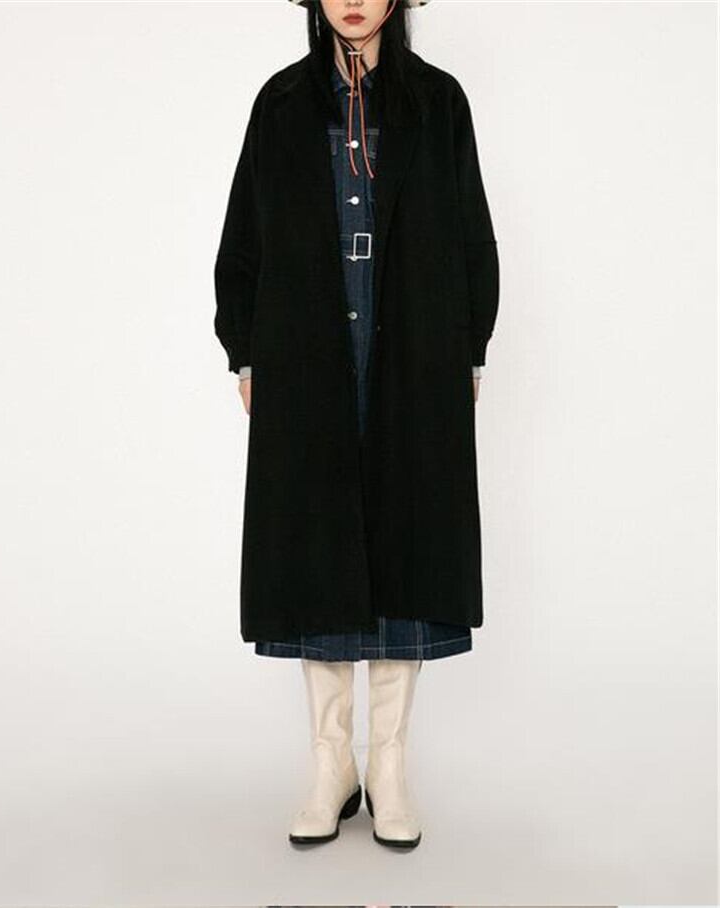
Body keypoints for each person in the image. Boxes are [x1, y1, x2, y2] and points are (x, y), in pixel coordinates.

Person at [213, 0, 499, 850]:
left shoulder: (438, 103)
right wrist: (246, 354)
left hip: (412, 346)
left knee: (407, 542)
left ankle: (390, 765)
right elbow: (243, 236)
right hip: (305, 352)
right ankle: (332, 762)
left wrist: (468, 350)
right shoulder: (280, 104)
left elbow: (473, 234)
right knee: (318, 545)